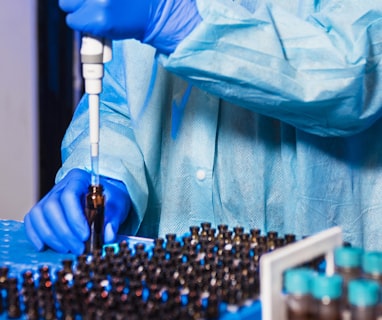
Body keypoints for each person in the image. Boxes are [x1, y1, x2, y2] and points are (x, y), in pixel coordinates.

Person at [24, 0, 382, 255]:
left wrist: (178, 22)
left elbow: (355, 74)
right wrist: (104, 172)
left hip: (318, 280)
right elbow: (120, 99)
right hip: (170, 279)